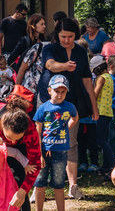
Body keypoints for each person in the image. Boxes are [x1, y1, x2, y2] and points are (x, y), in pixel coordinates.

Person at [41, 17, 99, 201]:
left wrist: (93, 106)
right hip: (47, 101)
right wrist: (64, 66)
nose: (66, 40)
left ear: (77, 35)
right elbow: (49, 65)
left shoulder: (81, 52)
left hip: (72, 103)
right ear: (57, 34)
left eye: (70, 36)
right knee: (44, 142)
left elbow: (87, 80)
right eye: (63, 36)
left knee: (71, 143)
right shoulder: (49, 48)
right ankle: (39, 185)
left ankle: (73, 186)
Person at [33, 75, 77, 211]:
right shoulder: (43, 108)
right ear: (49, 91)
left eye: (63, 91)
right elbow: (37, 132)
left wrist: (66, 127)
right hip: (44, 150)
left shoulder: (69, 106)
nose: (59, 94)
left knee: (58, 185)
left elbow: (74, 118)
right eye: (57, 91)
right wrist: (39, 154)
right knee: (40, 184)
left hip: (61, 151)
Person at [89, 54, 115, 173]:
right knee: (104, 139)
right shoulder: (109, 77)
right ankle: (105, 166)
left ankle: (112, 165)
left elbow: (94, 95)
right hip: (108, 112)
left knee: (101, 140)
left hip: (101, 112)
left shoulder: (101, 78)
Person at [15, 15, 49, 92]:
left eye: (44, 24)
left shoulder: (44, 41)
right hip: (27, 83)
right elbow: (12, 58)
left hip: (39, 82)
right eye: (41, 24)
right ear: (33, 26)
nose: (44, 26)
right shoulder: (25, 41)